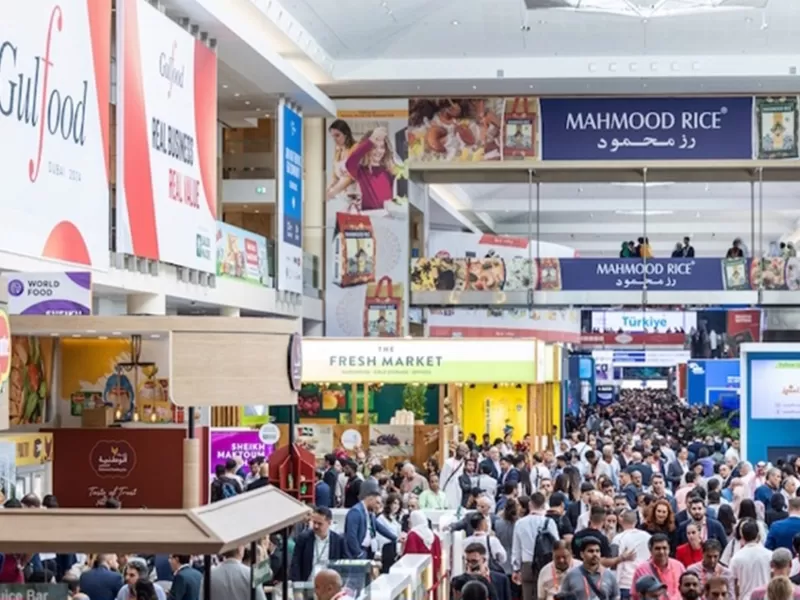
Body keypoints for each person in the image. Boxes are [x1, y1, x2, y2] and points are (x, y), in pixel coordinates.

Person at [291, 506, 346, 582]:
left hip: (329, 584)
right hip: (307, 582)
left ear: (329, 522)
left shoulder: (339, 540)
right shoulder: (303, 538)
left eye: (319, 524)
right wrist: (297, 586)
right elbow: (295, 563)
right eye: (314, 522)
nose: (316, 526)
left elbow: (344, 565)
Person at [343, 488, 398, 559]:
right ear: (370, 499)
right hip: (358, 552)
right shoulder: (356, 512)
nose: (378, 506)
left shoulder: (370, 513)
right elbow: (351, 536)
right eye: (377, 502)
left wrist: (395, 538)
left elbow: (379, 527)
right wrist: (358, 553)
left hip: (367, 550)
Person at [631, 533, 685, 600]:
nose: (661, 552)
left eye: (664, 548)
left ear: (669, 549)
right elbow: (635, 595)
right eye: (657, 548)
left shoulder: (678, 566)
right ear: (650, 551)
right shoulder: (642, 569)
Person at [612, 510, 651, 600]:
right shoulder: (648, 537)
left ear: (621, 521)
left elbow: (613, 565)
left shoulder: (618, 538)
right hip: (645, 582)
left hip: (625, 583)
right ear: (636, 521)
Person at [729, 519, 772, 600]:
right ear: (758, 535)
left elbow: (732, 583)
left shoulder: (736, 557)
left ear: (742, 536)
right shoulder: (770, 555)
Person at [404, 511, 442, 597]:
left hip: (418, 574)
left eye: (410, 518)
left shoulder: (413, 535)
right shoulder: (434, 536)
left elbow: (410, 556)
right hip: (432, 570)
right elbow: (438, 555)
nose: (408, 520)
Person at [440, 443, 468, 509]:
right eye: (461, 450)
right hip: (448, 486)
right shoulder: (448, 462)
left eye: (464, 451)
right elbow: (443, 476)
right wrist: (441, 489)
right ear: (457, 450)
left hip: (458, 487)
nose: (462, 453)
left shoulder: (464, 463)